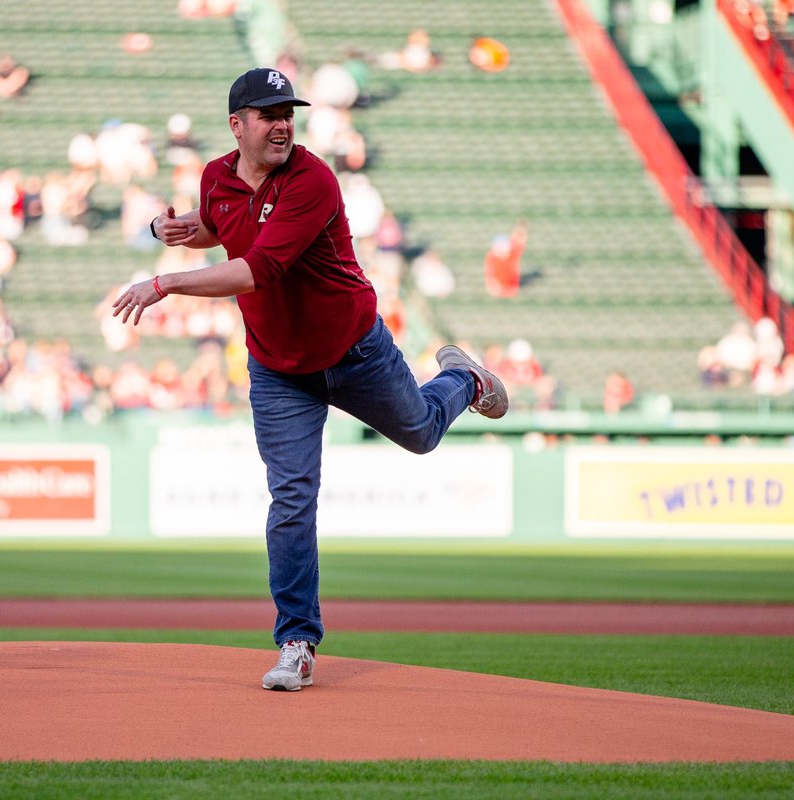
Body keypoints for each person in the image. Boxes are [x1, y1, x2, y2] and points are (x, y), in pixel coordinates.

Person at [111, 67, 508, 692]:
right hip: (278, 368)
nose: (281, 125)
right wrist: (182, 230)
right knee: (292, 499)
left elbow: (259, 268)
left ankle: (462, 379)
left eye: (287, 114)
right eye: (268, 115)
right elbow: (222, 221)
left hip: (353, 350)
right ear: (237, 125)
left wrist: (164, 282)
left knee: (422, 433)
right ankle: (297, 642)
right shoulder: (215, 177)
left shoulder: (313, 179)